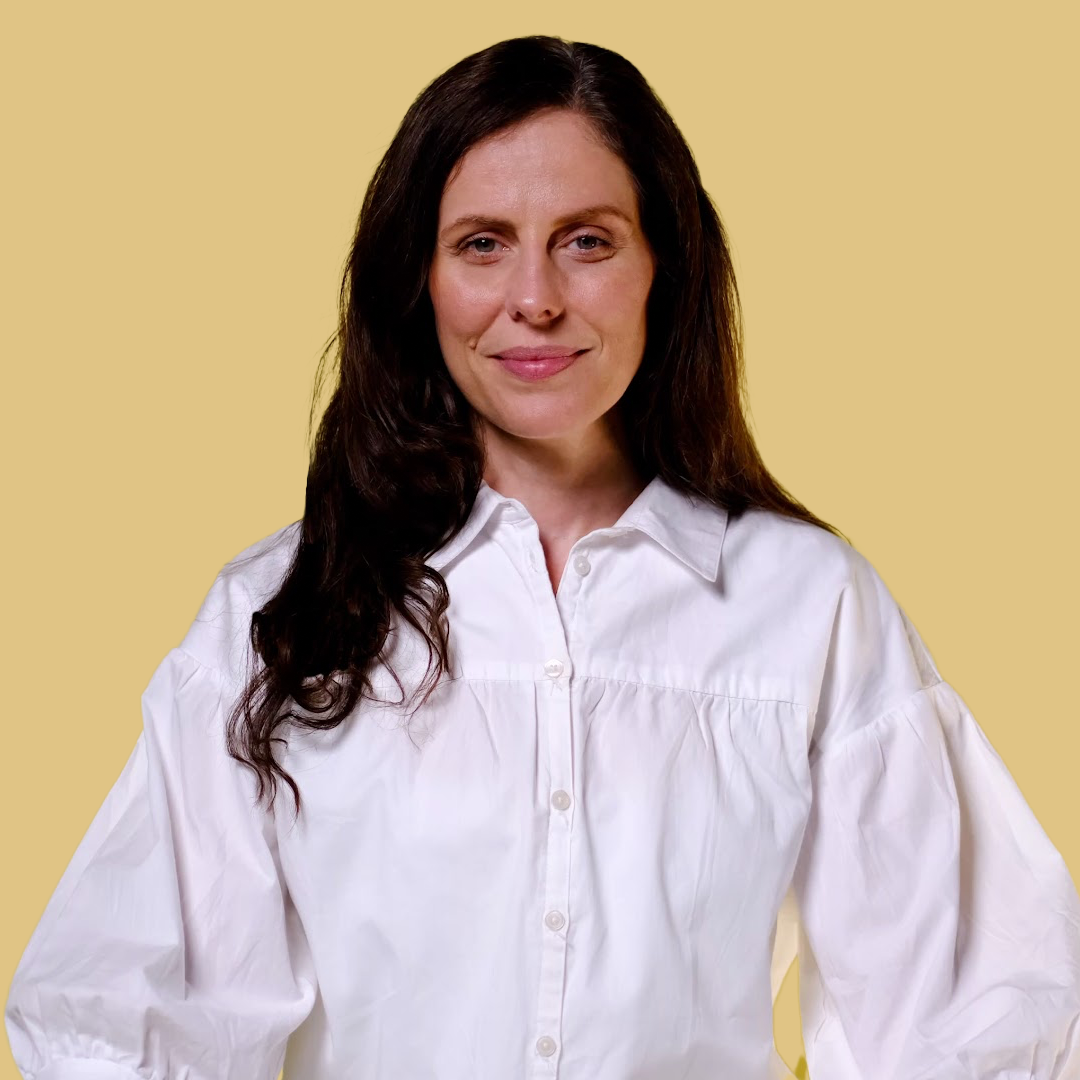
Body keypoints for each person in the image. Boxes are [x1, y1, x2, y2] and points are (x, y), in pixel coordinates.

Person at [5, 33, 1080, 1080]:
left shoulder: (810, 605)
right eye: (482, 243)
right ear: (420, 279)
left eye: (587, 241)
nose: (535, 298)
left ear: (664, 267)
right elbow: (134, 1016)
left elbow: (963, 1013)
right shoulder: (284, 607)